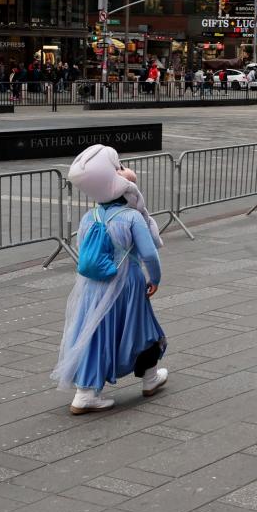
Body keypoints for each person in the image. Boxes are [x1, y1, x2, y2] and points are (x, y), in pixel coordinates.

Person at [55, 145, 169, 413]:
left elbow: (86, 253)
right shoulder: (130, 217)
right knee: (143, 329)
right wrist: (155, 278)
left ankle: (85, 393)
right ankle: (150, 378)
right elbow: (149, 254)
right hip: (127, 283)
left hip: (93, 286)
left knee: (94, 333)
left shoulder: (89, 217)